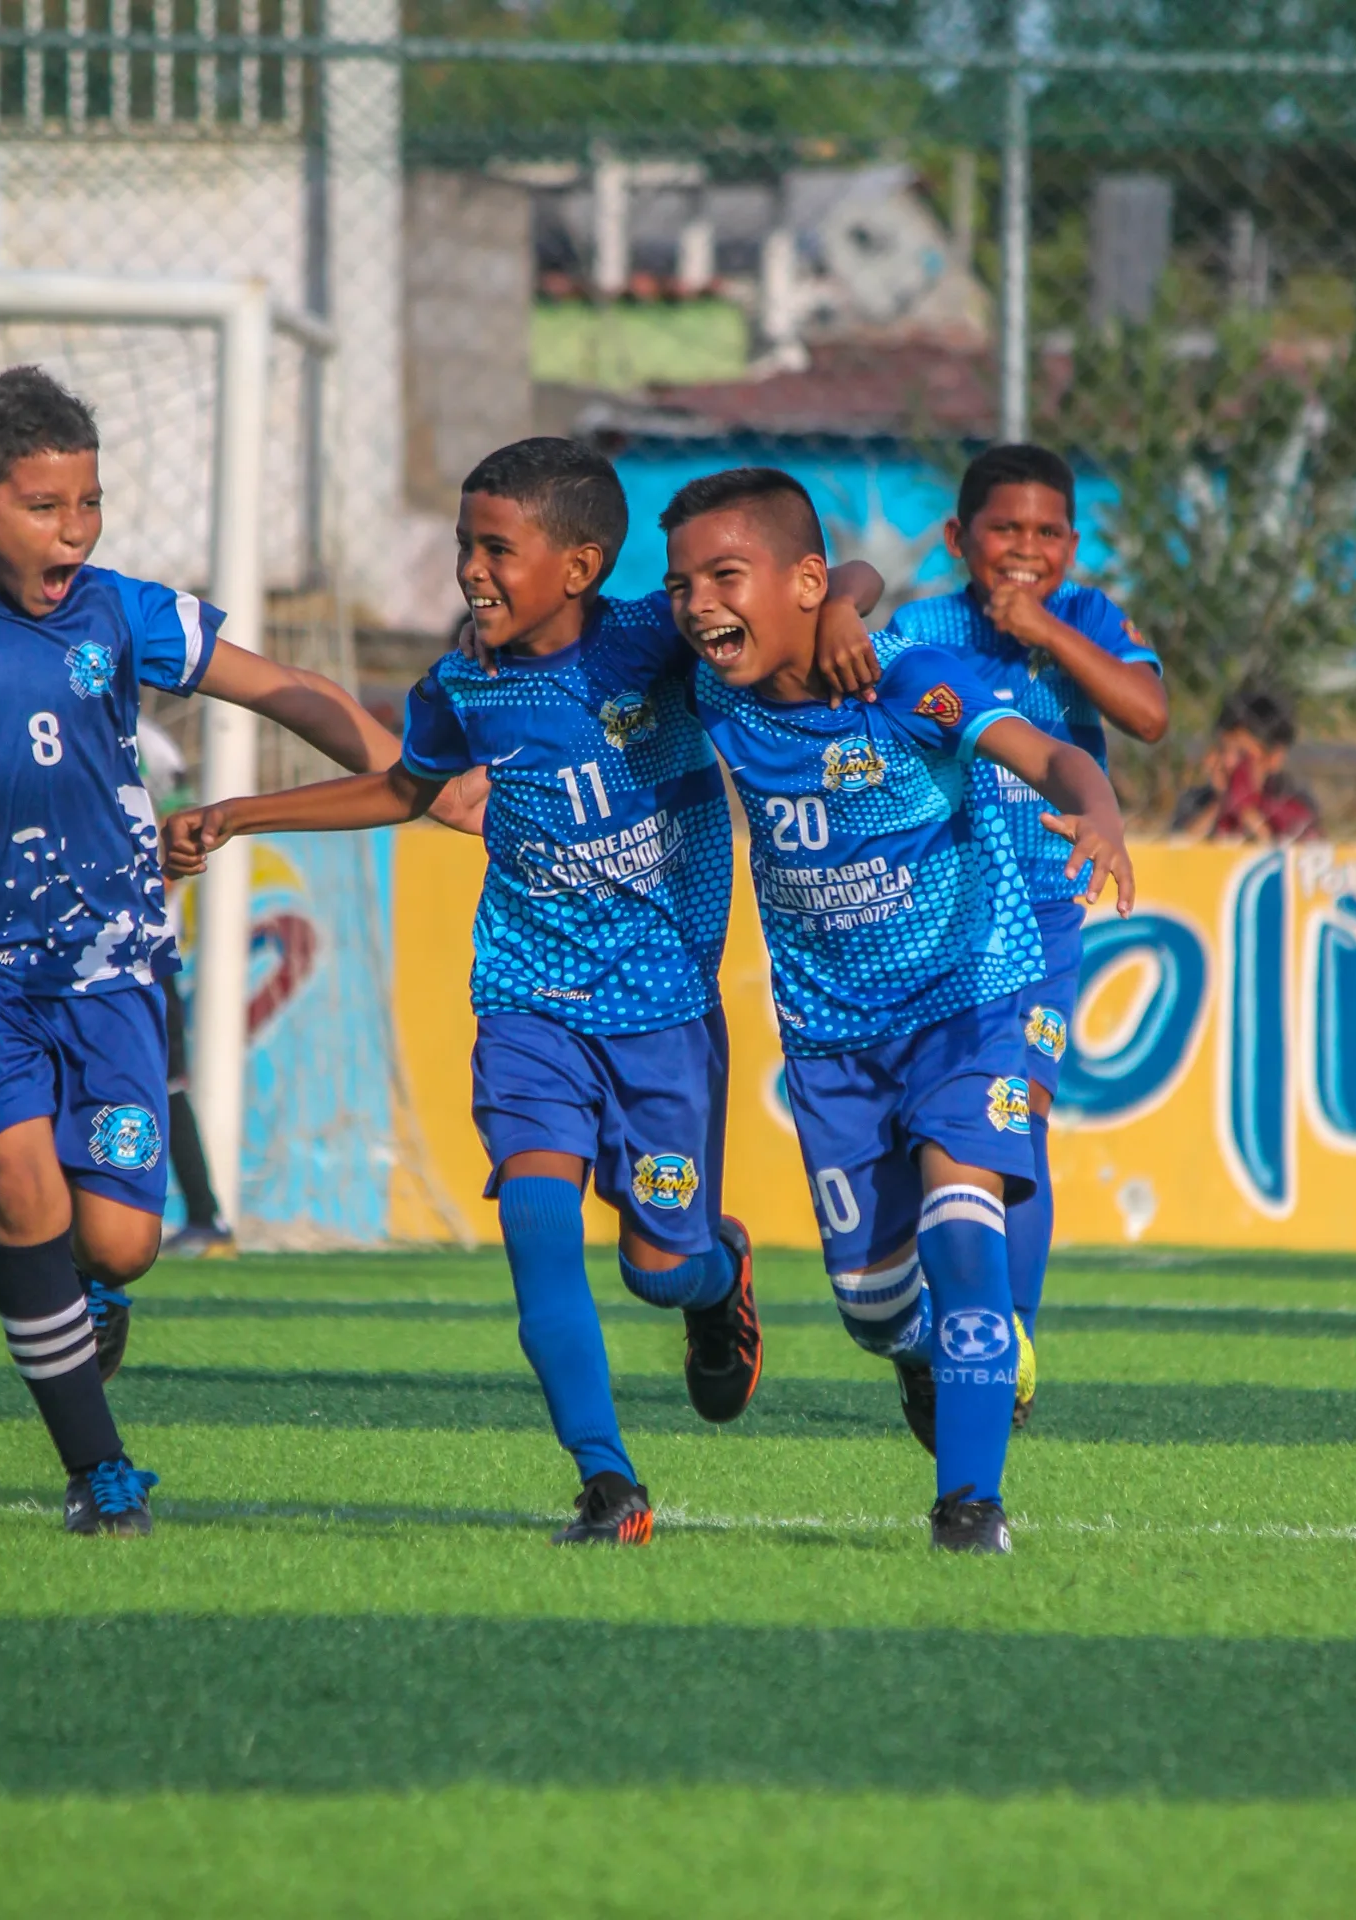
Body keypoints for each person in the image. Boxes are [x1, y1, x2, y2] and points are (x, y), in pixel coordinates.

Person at [165, 435, 884, 1546]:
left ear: (582, 565)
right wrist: (239, 814)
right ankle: (608, 1483)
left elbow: (824, 583)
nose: (471, 571)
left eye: (496, 549)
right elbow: (408, 785)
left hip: (663, 1017)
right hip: (527, 1002)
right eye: (464, 546)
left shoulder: (656, 638)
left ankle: (717, 1275)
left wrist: (846, 605)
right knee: (539, 1222)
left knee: (659, 1267)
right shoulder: (463, 684)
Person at [0, 364, 482, 1537]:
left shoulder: (121, 610)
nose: (75, 530)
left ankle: (85, 1298)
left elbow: (283, 686)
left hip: (116, 973)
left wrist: (408, 775)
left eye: (89, 503)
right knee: (16, 1184)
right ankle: (101, 1473)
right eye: (45, 508)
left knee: (122, 1242)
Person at [661, 466, 1134, 1552]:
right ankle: (935, 1358)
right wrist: (834, 595)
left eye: (723, 578)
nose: (698, 604)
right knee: (874, 1311)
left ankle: (970, 1506)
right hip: (834, 1039)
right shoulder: (713, 689)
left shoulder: (910, 682)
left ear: (796, 581)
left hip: (976, 999)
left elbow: (1056, 754)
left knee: (965, 1229)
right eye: (683, 584)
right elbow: (813, 581)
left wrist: (1097, 810)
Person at [884, 444, 1166, 1418]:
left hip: (1040, 915)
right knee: (928, 1134)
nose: (1026, 547)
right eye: (1005, 529)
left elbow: (1147, 713)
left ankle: (1010, 1345)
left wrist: (1043, 624)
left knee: (1021, 1111)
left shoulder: (1086, 620)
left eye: (1048, 533)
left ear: (1072, 546)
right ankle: (937, 1322)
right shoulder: (920, 630)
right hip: (936, 916)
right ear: (961, 538)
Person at [136, 715, 235, 1256]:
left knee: (165, 1081)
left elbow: (183, 826)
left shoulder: (147, 741)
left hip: (140, 947)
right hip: (40, 943)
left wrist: (146, 902)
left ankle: (204, 1215)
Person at [1170, 681, 1319, 843]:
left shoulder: (1294, 801)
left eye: (1242, 754)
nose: (1228, 762)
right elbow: (1179, 850)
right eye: (1222, 749)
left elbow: (1281, 854)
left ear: (1274, 758)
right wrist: (1221, 803)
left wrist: (1245, 808)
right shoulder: (1197, 801)